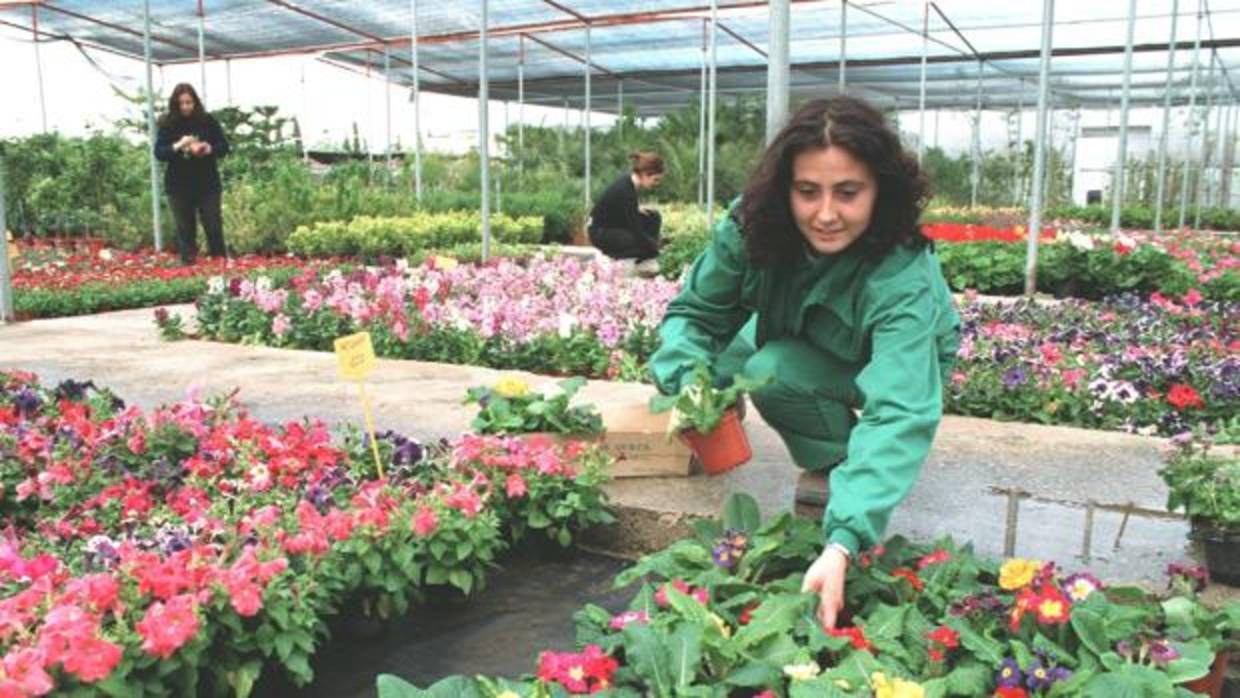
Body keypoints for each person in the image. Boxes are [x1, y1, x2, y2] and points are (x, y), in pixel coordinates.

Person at [649, 96, 960, 631]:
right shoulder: (753, 225)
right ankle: (731, 414)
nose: (826, 214)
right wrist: (692, 387)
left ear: (879, 190)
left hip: (889, 360)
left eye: (848, 192)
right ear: (784, 189)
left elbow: (900, 408)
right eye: (807, 191)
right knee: (723, 357)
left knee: (776, 369)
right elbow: (697, 314)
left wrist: (844, 540)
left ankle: (839, 463)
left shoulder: (900, 271)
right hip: (798, 324)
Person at [154, 83, 230, 265]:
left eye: (189, 102)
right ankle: (189, 268)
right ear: (175, 104)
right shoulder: (168, 123)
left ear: (195, 102)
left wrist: (208, 148)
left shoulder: (207, 121)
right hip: (178, 186)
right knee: (185, 230)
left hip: (207, 184)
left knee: (213, 226)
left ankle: (219, 265)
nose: (185, 107)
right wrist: (179, 145)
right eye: (181, 103)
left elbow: (224, 147)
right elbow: (159, 153)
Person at [588, 151, 665, 274]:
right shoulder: (625, 190)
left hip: (613, 225)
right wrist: (655, 249)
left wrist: (651, 246)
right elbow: (636, 230)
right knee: (638, 241)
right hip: (600, 233)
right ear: (645, 175)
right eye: (655, 180)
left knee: (653, 217)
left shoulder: (630, 184)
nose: (656, 184)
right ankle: (609, 261)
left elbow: (626, 212)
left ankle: (644, 260)